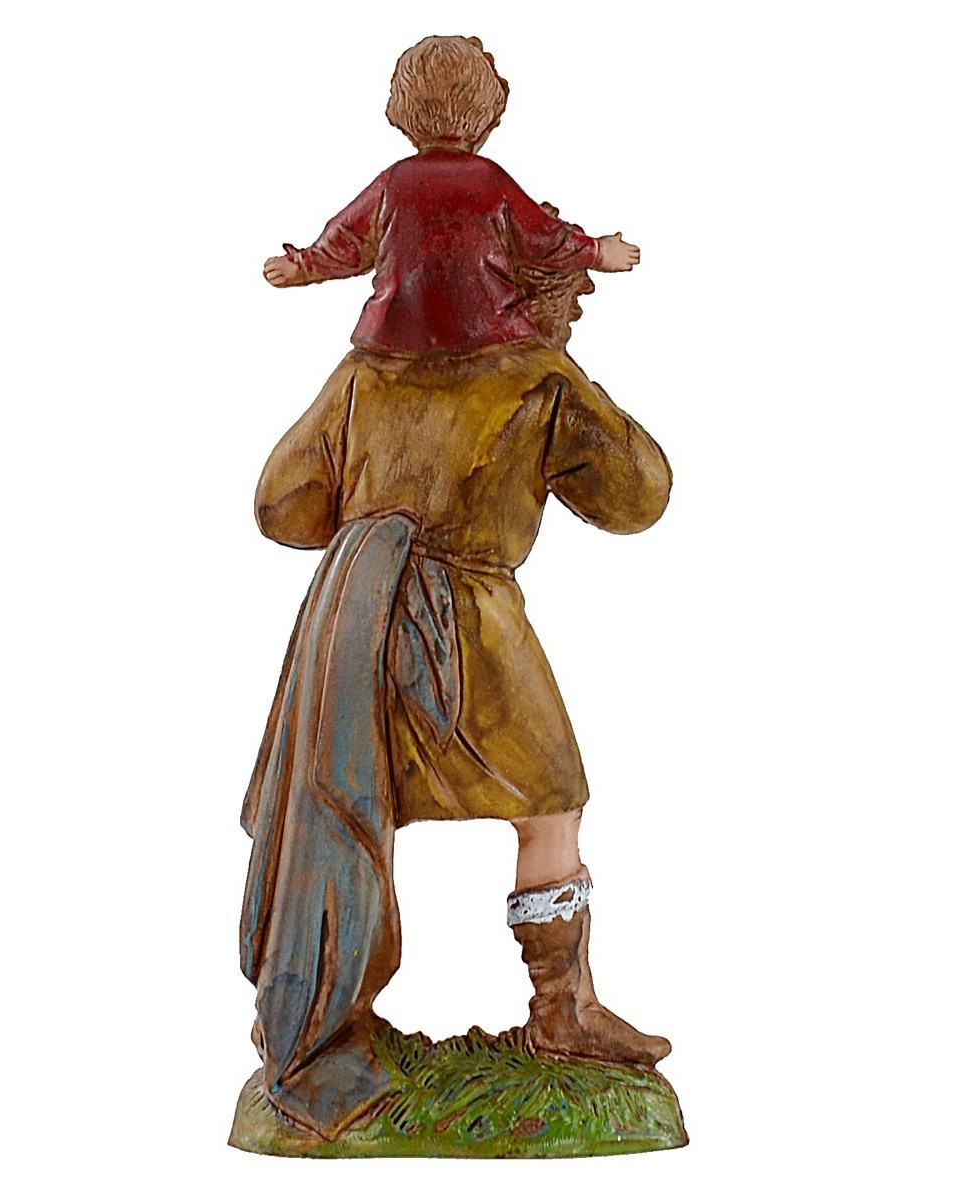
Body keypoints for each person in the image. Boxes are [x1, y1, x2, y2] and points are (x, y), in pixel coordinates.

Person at [240, 35, 673, 1139]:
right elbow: (639, 496)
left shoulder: (360, 375)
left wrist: (371, 519)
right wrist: (570, 387)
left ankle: (342, 1007)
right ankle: (561, 1011)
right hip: (469, 622)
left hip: (348, 635)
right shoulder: (535, 374)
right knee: (550, 799)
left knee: (364, 805)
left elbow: (282, 506)